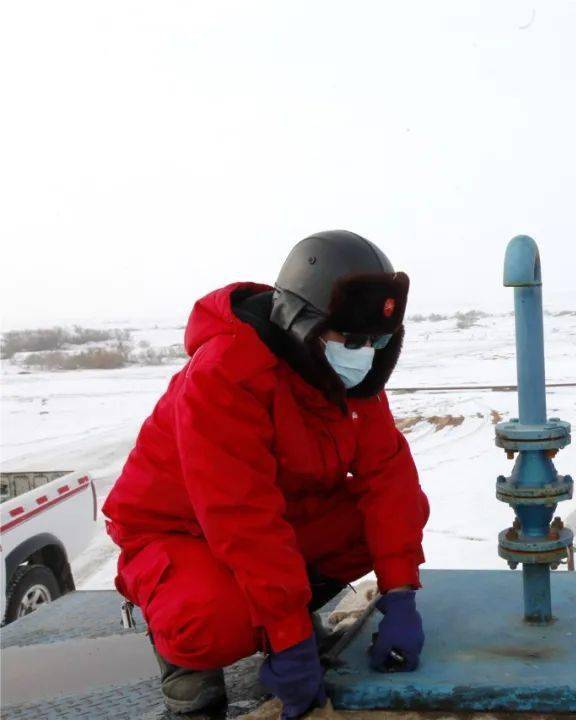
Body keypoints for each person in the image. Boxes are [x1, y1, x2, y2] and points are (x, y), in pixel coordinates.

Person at [103, 231, 430, 717]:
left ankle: (283, 618)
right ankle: (183, 650)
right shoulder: (226, 373)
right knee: (213, 622)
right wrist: (290, 637)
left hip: (274, 517)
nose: (363, 353)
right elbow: (243, 516)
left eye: (376, 341)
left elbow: (388, 481)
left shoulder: (346, 377)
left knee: (373, 527)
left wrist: (400, 593)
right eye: (352, 339)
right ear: (304, 323)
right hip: (180, 530)